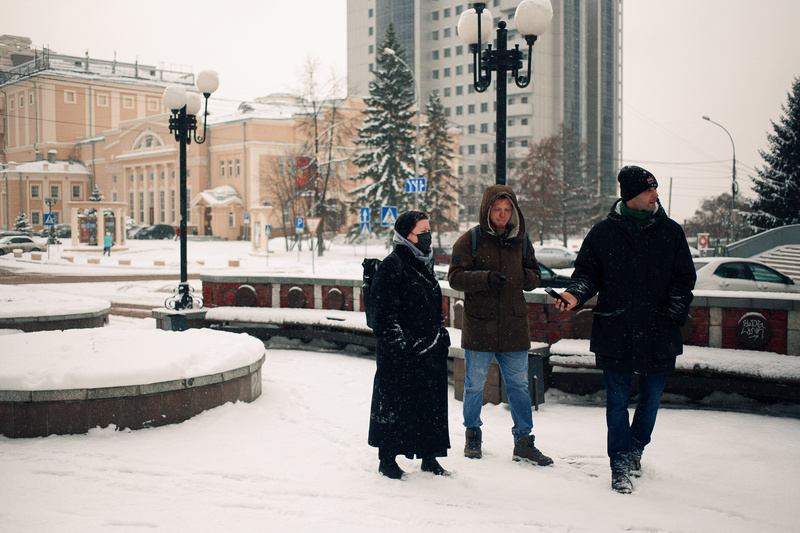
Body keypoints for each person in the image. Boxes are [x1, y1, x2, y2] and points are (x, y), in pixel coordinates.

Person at [551, 166, 696, 494]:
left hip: (659, 331)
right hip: (615, 329)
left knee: (651, 398)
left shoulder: (671, 232)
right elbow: (586, 274)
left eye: (655, 188)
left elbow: (684, 279)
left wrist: (671, 316)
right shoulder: (603, 233)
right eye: (648, 190)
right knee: (616, 401)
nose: (655, 195)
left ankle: (635, 448)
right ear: (631, 196)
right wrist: (574, 295)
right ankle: (619, 462)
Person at [447, 185, 553, 467]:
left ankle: (523, 441)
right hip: (479, 325)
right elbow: (455, 278)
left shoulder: (521, 240)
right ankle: (472, 434)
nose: (503, 215)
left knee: (519, 386)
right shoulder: (470, 240)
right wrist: (485, 278)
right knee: (474, 386)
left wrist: (521, 277)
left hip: (513, 325)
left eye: (507, 210)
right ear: (487, 210)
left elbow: (535, 275)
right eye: (497, 209)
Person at [367, 210, 451, 480]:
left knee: (430, 405)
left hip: (429, 348)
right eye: (422, 232)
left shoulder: (424, 262)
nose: (428, 237)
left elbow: (432, 304)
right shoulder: (393, 264)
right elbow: (383, 315)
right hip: (402, 354)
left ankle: (430, 456)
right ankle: (387, 459)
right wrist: (400, 346)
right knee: (394, 405)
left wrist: (440, 334)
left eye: (429, 231)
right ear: (406, 235)